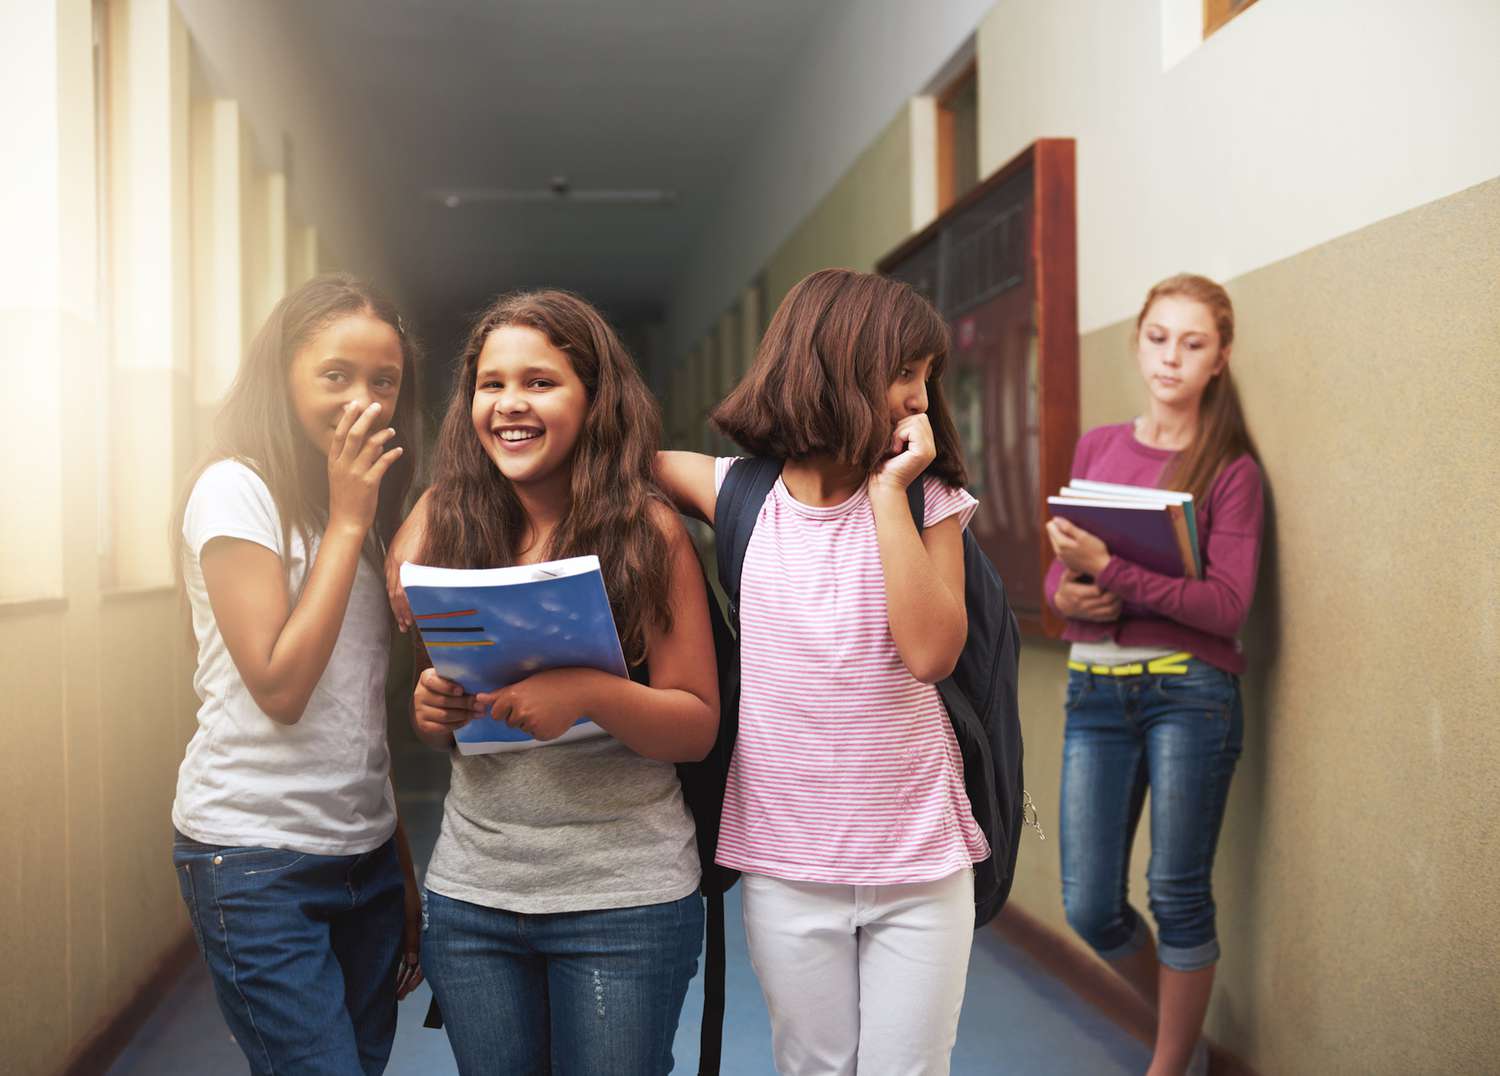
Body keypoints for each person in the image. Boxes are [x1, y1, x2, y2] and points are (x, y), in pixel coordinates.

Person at [654, 268, 986, 1076]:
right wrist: (430, 514)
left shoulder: (927, 500)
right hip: (784, 860)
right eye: (903, 374)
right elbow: (589, 462)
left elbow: (931, 652)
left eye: (927, 379)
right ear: (833, 367)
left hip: (920, 861)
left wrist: (888, 493)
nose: (918, 397)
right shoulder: (738, 494)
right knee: (814, 1069)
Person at [391, 290, 719, 1075]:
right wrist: (430, 707)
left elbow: (697, 721)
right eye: (491, 383)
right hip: (474, 894)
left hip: (623, 899)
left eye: (540, 382)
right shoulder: (452, 525)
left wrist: (588, 693)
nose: (510, 404)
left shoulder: (648, 531)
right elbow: (437, 720)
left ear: (594, 399)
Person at [171, 274, 425, 1076]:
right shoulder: (235, 490)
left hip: (365, 857)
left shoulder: (360, 512)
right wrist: (351, 517)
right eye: (335, 376)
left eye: (383, 380)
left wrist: (400, 866)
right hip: (254, 862)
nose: (363, 399)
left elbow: (356, 716)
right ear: (283, 376)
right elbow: (281, 690)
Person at [1044, 273, 1264, 1076]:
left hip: (1191, 697)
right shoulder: (1100, 446)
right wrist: (1067, 589)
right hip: (1093, 691)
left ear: (1220, 358)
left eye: (1193, 342)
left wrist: (1117, 574)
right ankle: (1185, 1030)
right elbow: (1059, 571)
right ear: (1138, 342)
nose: (1171, 357)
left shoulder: (1231, 470)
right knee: (1091, 905)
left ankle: (1172, 1064)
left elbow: (1228, 606)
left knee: (1176, 895)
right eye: (1158, 337)